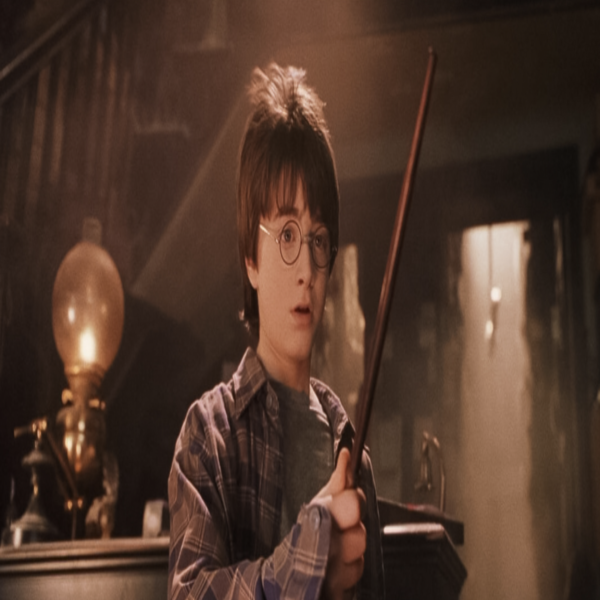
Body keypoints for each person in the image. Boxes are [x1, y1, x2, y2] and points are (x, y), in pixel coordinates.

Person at [168, 63, 384, 600]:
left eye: (318, 239)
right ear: (251, 259)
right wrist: (309, 562)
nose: (307, 269)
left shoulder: (350, 453)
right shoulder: (209, 434)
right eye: (286, 234)